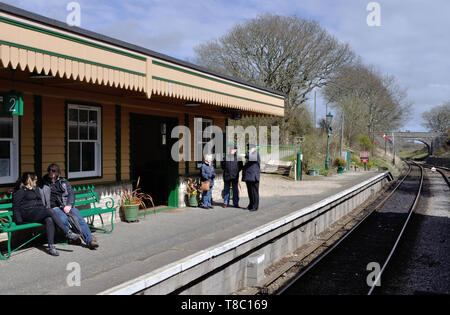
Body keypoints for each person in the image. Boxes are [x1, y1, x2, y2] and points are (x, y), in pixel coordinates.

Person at [12, 172, 80, 256]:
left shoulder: (35, 189)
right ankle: (67, 232)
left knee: (49, 219)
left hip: (37, 213)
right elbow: (16, 207)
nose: (36, 180)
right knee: (50, 211)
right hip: (27, 214)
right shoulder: (20, 191)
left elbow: (39, 202)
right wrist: (19, 221)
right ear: (30, 180)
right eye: (35, 179)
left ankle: (51, 247)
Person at [39, 163, 99, 249]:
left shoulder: (63, 181)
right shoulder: (43, 182)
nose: (51, 172)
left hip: (66, 204)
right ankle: (73, 237)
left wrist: (69, 205)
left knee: (79, 219)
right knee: (63, 219)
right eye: (49, 170)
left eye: (53, 171)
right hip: (54, 207)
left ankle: (90, 240)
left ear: (58, 172)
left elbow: (71, 193)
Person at [242, 144, 261, 212]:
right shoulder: (250, 156)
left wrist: (244, 155)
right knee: (250, 192)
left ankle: (255, 206)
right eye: (248, 149)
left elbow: (251, 157)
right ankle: (251, 205)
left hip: (254, 177)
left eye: (250, 149)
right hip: (249, 177)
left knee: (254, 192)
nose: (248, 150)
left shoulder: (256, 154)